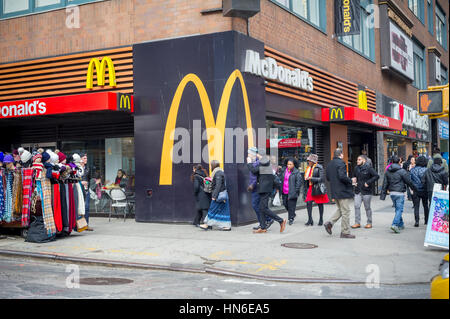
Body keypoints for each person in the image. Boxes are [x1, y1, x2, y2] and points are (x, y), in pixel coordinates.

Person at [247, 153, 287, 233]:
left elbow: (254, 170)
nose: (258, 157)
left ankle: (281, 221)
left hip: (265, 189)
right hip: (263, 189)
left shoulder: (264, 163)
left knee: (263, 208)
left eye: (259, 155)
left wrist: (249, 162)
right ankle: (263, 227)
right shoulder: (265, 164)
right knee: (262, 208)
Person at [380, 156, 418, 233]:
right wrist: (414, 188)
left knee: (397, 209)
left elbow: (385, 184)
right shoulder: (402, 171)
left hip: (392, 193)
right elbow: (409, 181)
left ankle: (401, 224)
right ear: (399, 162)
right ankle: (394, 224)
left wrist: (383, 195)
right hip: (399, 193)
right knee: (399, 210)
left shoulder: (388, 171)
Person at [323, 149, 355, 239]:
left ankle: (329, 223)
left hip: (334, 191)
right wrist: (350, 180)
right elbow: (342, 176)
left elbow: (328, 178)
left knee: (341, 210)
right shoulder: (341, 163)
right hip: (342, 191)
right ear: (341, 154)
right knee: (346, 212)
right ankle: (345, 232)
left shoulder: (329, 164)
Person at [200, 160, 231, 231]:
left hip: (219, 195)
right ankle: (227, 226)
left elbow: (218, 185)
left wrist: (214, 196)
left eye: (211, 165)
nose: (210, 167)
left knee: (212, 209)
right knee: (224, 211)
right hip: (222, 195)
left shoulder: (218, 173)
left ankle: (206, 224)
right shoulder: (220, 172)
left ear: (213, 166)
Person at [247, 147, 273, 231]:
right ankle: (263, 222)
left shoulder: (258, 163)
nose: (248, 155)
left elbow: (255, 174)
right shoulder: (256, 162)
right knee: (258, 206)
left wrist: (252, 185)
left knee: (257, 206)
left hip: (257, 187)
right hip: (256, 187)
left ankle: (267, 220)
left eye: (249, 153)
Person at [351, 155, 379, 229]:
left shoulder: (369, 168)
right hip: (357, 190)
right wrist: (354, 182)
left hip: (366, 191)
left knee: (367, 207)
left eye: (359, 159)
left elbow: (376, 176)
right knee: (356, 206)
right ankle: (357, 223)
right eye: (357, 159)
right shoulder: (356, 168)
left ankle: (369, 222)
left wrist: (368, 182)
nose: (357, 161)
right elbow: (354, 176)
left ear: (364, 160)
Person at [303, 154, 329, 226]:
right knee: (308, 203)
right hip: (310, 187)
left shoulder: (319, 167)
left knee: (320, 203)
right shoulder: (308, 168)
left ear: (313, 161)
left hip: (317, 187)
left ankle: (321, 219)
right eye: (308, 161)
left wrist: (311, 178)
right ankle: (310, 219)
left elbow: (321, 179)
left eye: (310, 161)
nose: (308, 162)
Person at [278, 157, 302, 225]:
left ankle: (291, 218)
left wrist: (296, 190)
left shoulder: (296, 172)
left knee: (291, 206)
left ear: (294, 165)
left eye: (290, 164)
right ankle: (292, 214)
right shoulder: (283, 170)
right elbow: (280, 178)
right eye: (288, 164)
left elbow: (299, 182)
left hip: (292, 192)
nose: (289, 166)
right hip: (284, 191)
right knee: (285, 204)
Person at [410, 156, 429, 227]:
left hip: (415, 190)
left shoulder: (412, 170)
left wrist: (411, 188)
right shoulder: (426, 170)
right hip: (424, 189)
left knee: (416, 206)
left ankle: (417, 221)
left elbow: (410, 180)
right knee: (425, 205)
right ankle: (426, 220)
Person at [79, 153, 92, 231]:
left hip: (86, 190)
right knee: (79, 207)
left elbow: (89, 178)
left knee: (86, 207)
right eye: (84, 158)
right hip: (79, 189)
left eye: (86, 158)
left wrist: (87, 185)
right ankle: (79, 225)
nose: (86, 160)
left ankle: (86, 225)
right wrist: (81, 183)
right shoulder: (77, 168)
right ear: (80, 159)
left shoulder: (88, 168)